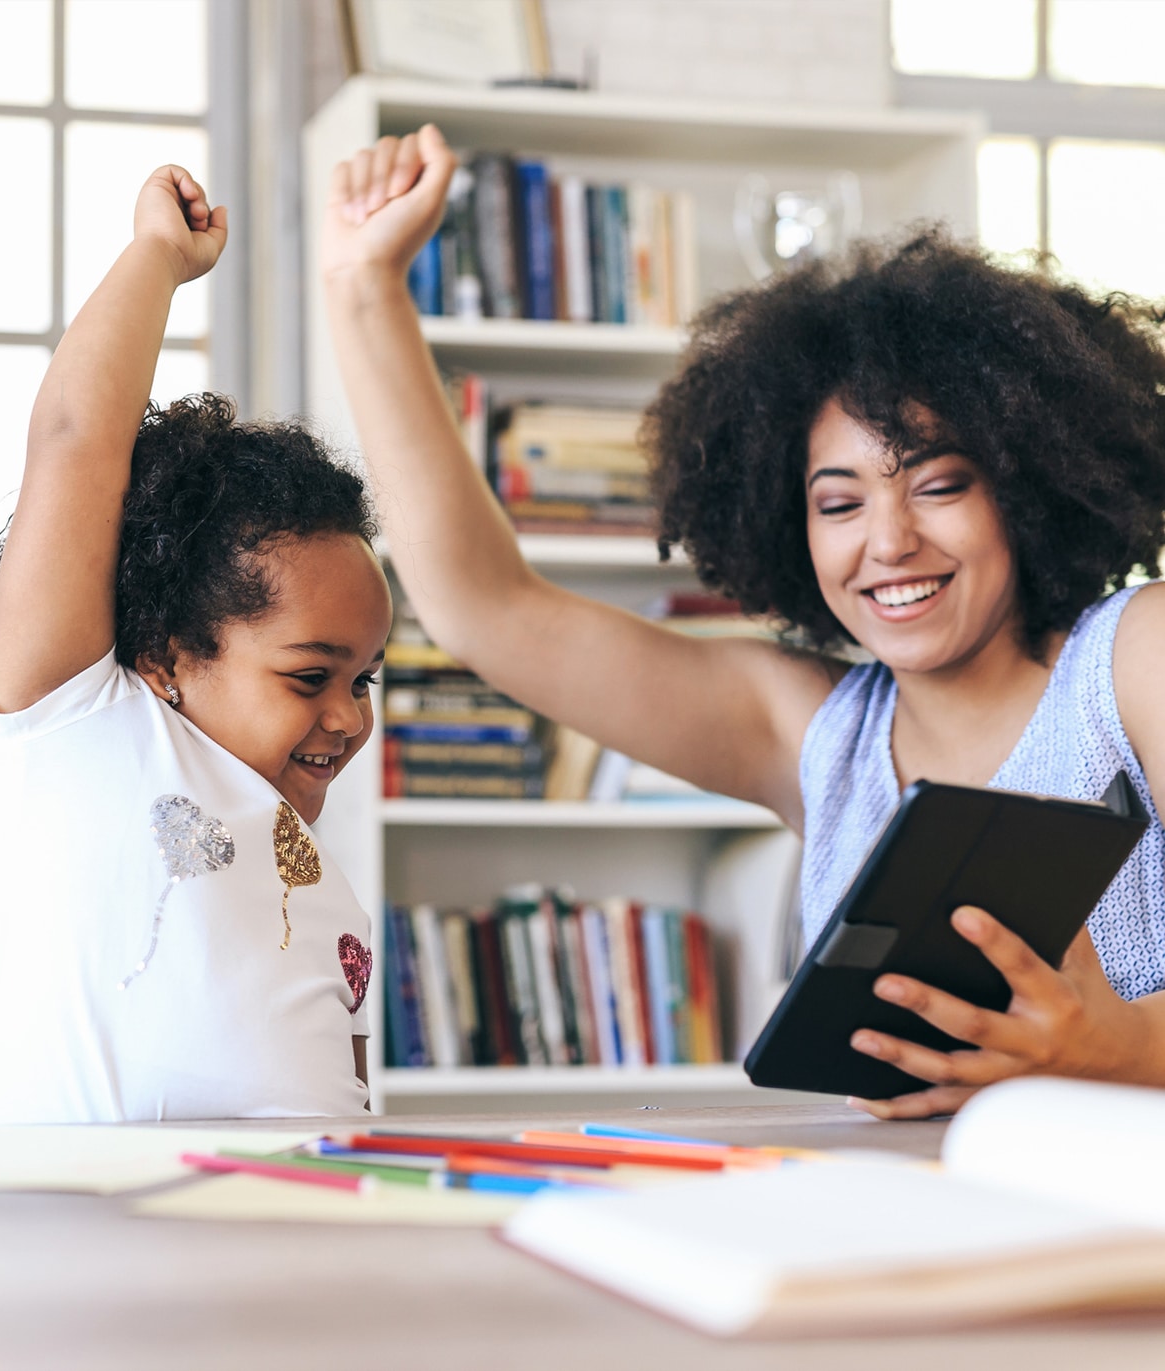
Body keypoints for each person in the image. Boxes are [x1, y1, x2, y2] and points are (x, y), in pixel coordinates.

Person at [321, 126, 1165, 1120]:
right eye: (839, 503)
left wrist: (1119, 1046)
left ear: (1026, 489)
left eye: (939, 485)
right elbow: (487, 611)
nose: (888, 542)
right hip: (915, 1221)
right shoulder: (817, 736)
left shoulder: (1135, 659)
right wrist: (363, 286)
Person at [0, 166, 392, 1122]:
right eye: (311, 675)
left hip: (282, 1249)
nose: (348, 716)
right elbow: (76, 438)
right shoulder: (72, 722)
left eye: (366, 677)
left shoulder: (326, 897)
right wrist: (158, 257)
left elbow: (352, 1112)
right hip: (65, 1250)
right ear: (164, 653)